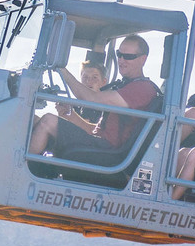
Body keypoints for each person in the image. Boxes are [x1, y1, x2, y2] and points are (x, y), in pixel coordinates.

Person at [29, 34, 161, 159]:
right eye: (119, 54)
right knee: (34, 120)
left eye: (128, 56)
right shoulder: (126, 85)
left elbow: (91, 99)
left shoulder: (142, 89)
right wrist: (71, 116)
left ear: (143, 59)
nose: (121, 60)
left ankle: (15, 173)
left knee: (48, 122)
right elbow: (95, 131)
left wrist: (62, 70)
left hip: (110, 153)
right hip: (101, 144)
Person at [56, 60, 108, 130]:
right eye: (85, 77)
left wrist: (71, 117)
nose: (89, 81)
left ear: (103, 82)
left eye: (94, 77)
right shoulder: (75, 106)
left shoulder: (106, 107)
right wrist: (63, 113)